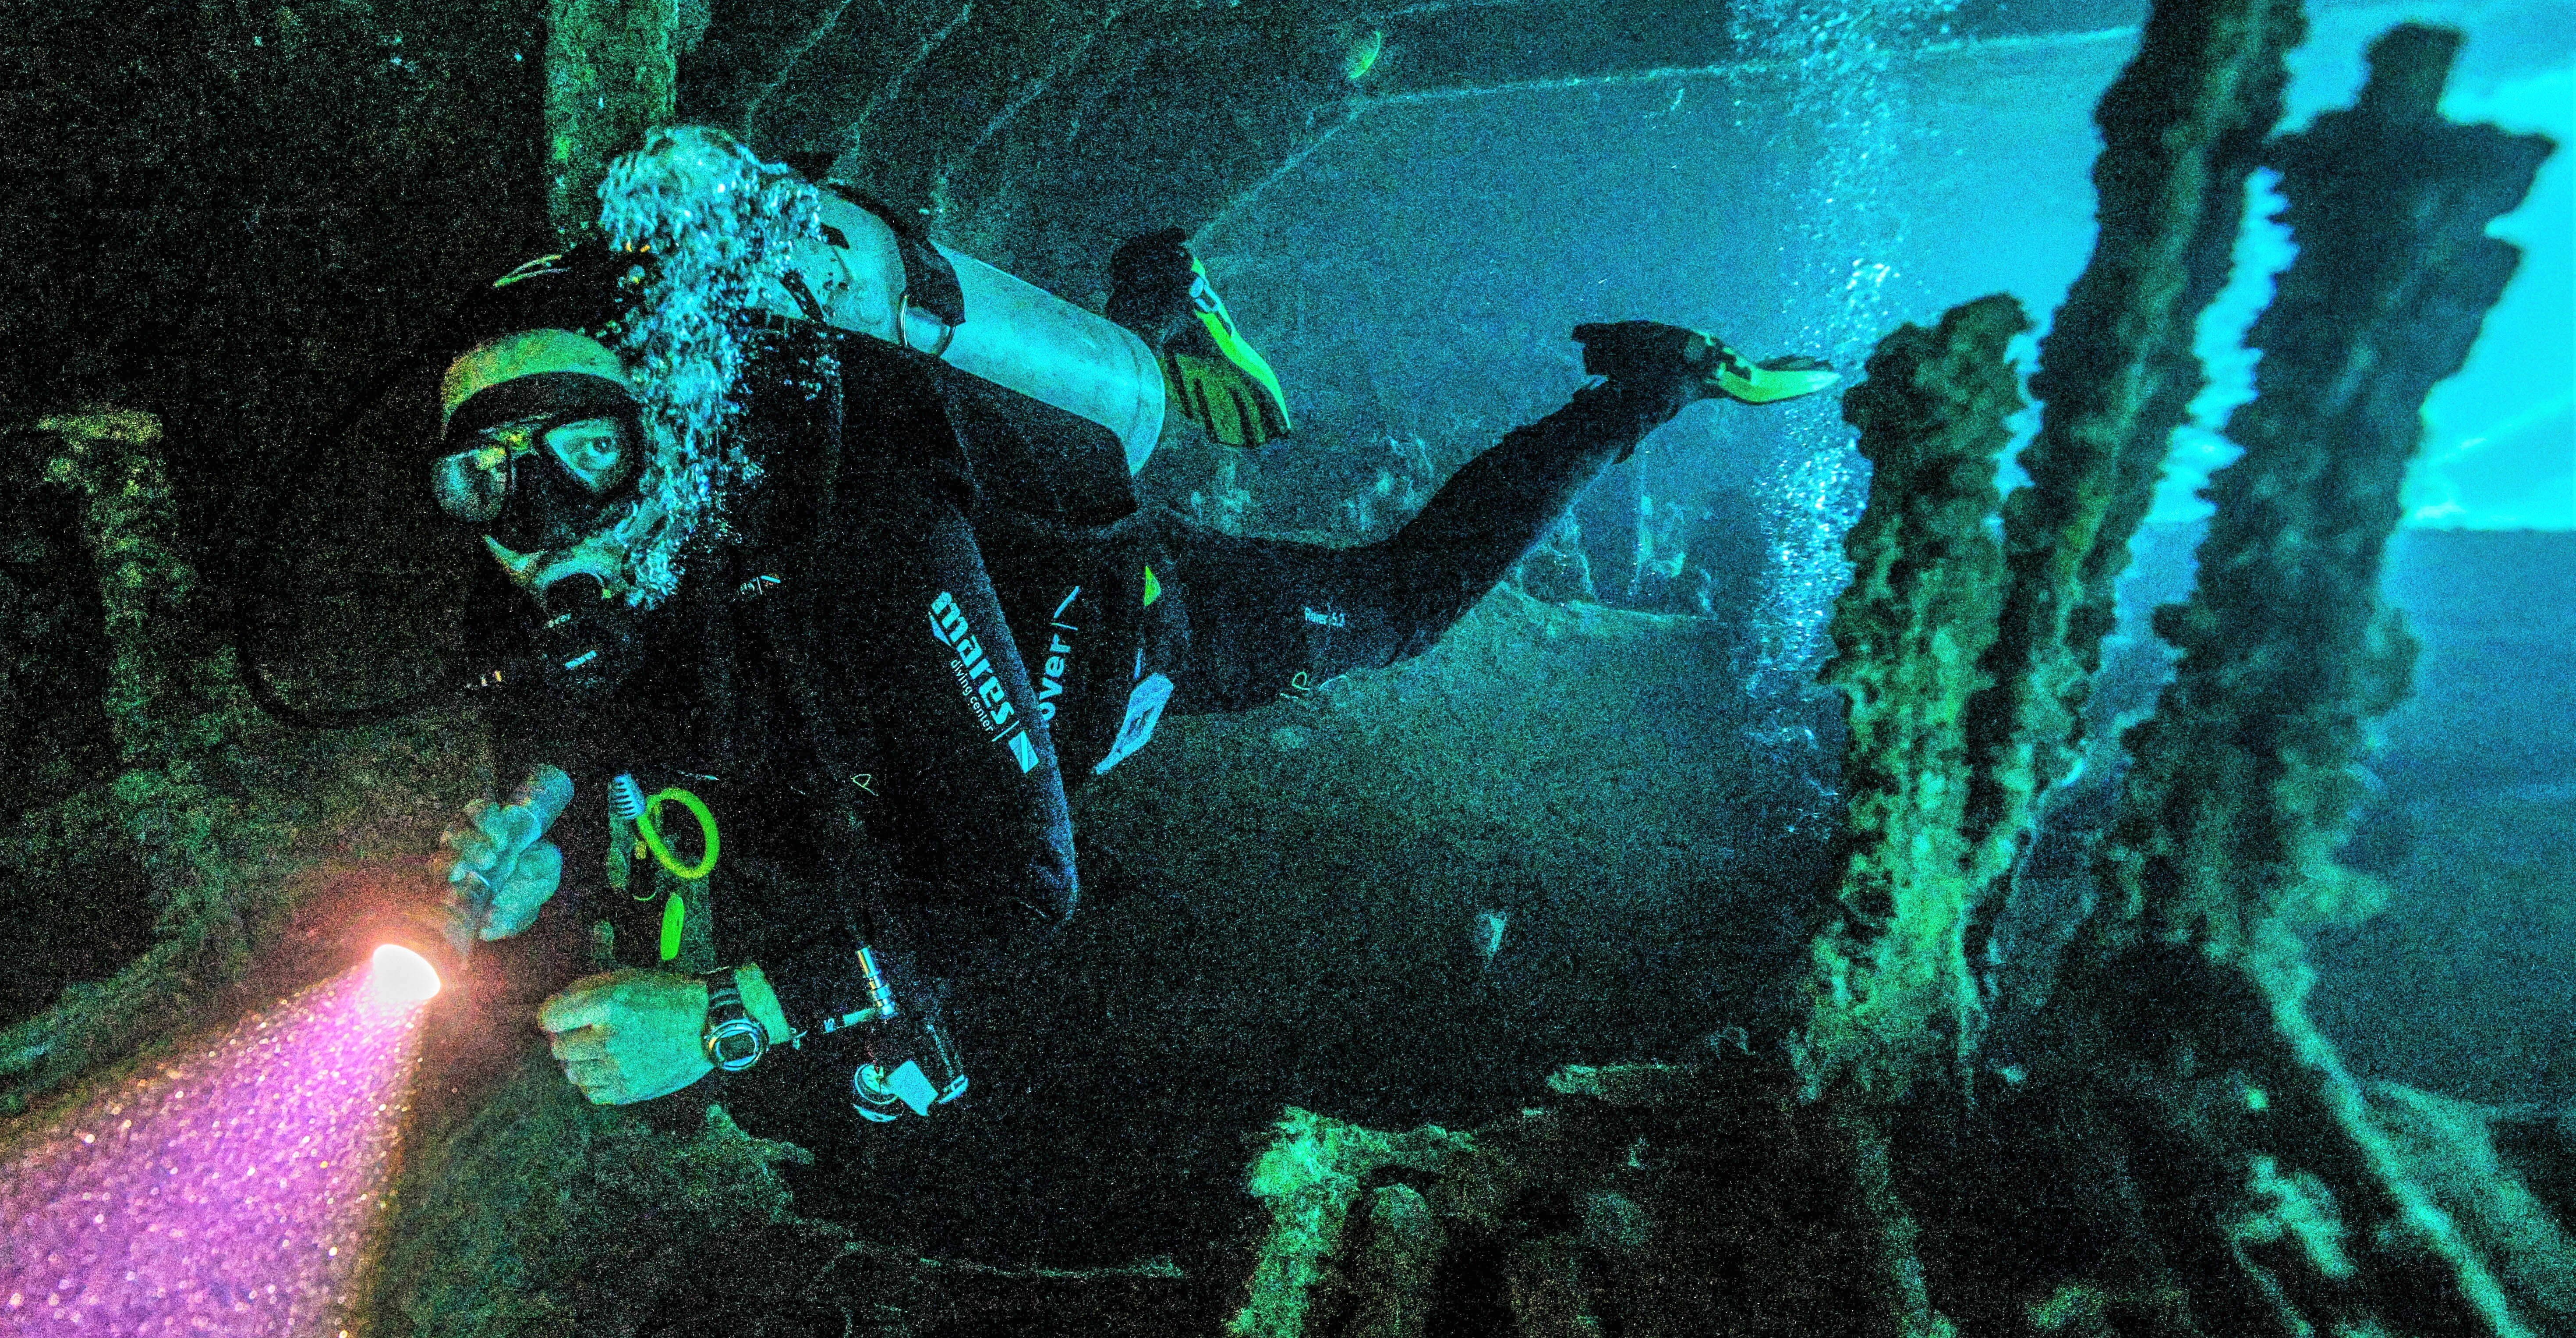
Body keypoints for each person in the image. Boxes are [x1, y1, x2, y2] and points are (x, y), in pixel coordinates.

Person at [433, 197, 1832, 1120]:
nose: (543, 525)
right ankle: (1152, 317)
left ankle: (1645, 390)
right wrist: (542, 865)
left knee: (1405, 603)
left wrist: (727, 1018)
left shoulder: (869, 537)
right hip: (909, 715)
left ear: (665, 428)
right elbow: (601, 748)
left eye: (586, 456)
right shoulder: (554, 585)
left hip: (1145, 626)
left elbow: (1030, 883)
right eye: (486, 485)